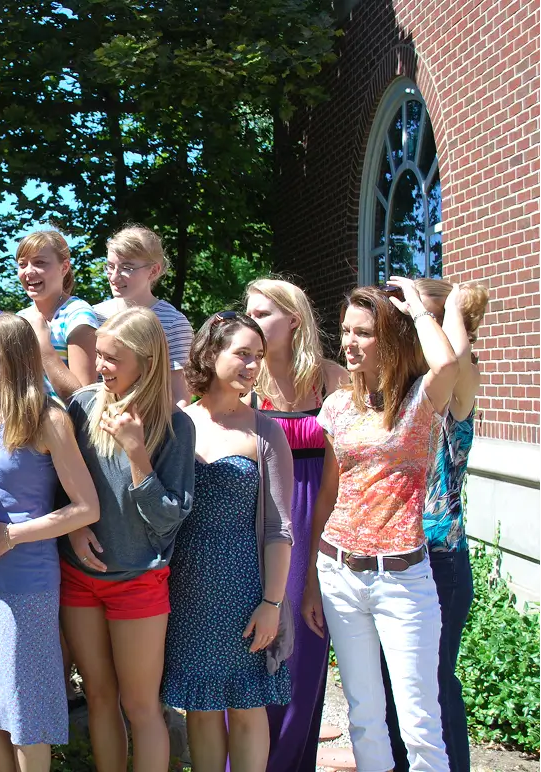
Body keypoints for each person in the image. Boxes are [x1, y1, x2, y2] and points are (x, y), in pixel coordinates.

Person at [302, 278, 459, 772]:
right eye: (346, 331)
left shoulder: (420, 401)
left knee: (419, 724)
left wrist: (415, 306)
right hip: (338, 572)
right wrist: (311, 581)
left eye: (364, 333)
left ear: (389, 339)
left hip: (403, 581)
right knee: (365, 717)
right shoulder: (336, 405)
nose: (349, 342)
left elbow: (447, 364)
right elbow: (329, 494)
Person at [0, 312, 100, 772]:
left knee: (25, 708)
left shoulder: (49, 418)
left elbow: (87, 507)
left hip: (26, 580)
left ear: (22, 361)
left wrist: (14, 535)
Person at [59, 307, 195, 772]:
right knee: (99, 696)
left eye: (112, 358)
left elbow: (168, 519)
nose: (100, 366)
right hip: (79, 577)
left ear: (148, 361)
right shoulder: (82, 406)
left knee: (141, 706)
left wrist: (137, 452)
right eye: (99, 355)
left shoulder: (176, 426)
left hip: (138, 580)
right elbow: (60, 483)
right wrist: (74, 526)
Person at [163, 311, 294, 772]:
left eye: (258, 356)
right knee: (200, 709)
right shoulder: (177, 424)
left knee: (246, 706)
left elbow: (280, 528)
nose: (252, 365)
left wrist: (272, 603)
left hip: (244, 592)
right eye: (242, 353)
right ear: (210, 353)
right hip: (185, 589)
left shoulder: (265, 431)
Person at [382, 280, 489, 772]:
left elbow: (456, 358)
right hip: (389, 558)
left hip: (439, 560)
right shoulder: (399, 391)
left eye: (413, 316)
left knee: (434, 686)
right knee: (392, 688)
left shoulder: (457, 390)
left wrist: (451, 304)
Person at [244, 278, 348, 772]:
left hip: (314, 522)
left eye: (262, 314)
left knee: (303, 653)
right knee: (251, 652)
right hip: (255, 521)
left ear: (293, 320)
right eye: (249, 313)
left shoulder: (333, 380)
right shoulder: (244, 378)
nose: (251, 323)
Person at [92, 225, 194, 406]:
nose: (113, 277)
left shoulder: (173, 322)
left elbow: (180, 396)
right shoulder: (94, 316)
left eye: (127, 268)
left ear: (153, 271)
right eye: (110, 266)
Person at [14, 229, 99, 402]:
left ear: (64, 267)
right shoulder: (19, 318)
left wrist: (43, 345)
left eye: (39, 262)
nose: (28, 271)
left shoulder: (78, 314)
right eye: (22, 264)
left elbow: (84, 398)